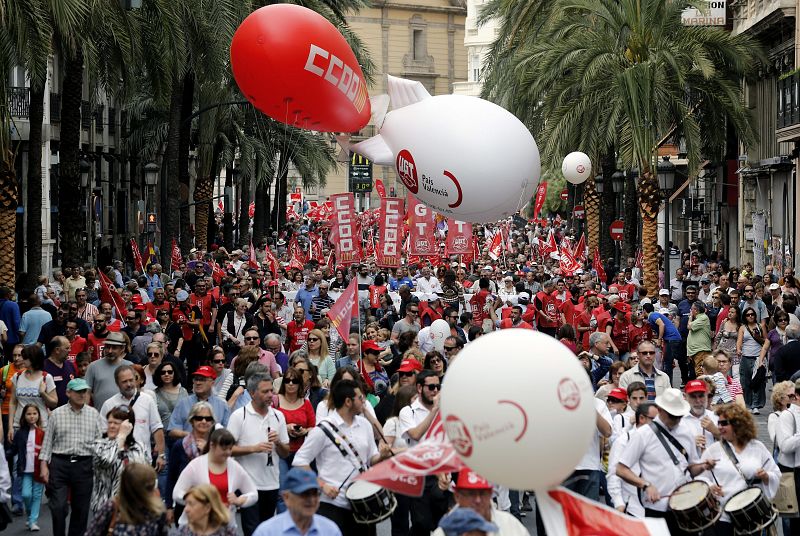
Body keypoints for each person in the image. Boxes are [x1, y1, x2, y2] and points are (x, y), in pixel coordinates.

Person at [292, 379, 392, 535]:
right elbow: (299, 462)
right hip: (332, 503)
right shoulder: (323, 429)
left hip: (362, 502)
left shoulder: (365, 425)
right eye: (360, 398)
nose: (364, 401)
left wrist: (382, 457)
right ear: (347, 402)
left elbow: (371, 458)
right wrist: (322, 485)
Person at [614, 388, 714, 534]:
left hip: (684, 505)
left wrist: (704, 466)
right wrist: (646, 485)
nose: (677, 420)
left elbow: (691, 467)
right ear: (660, 410)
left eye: (679, 416)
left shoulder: (686, 432)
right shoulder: (643, 434)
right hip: (656, 508)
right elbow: (621, 469)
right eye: (673, 416)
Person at [697, 403, 780, 534]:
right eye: (718, 423)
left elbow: (775, 473)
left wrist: (765, 476)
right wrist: (710, 486)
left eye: (724, 423)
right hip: (723, 516)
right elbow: (700, 478)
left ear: (738, 424)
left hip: (751, 515)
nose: (719, 427)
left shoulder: (757, 447)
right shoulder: (713, 450)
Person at [39, 378, 104, 536]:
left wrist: (99, 468)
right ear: (68, 393)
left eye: (85, 391)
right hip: (60, 463)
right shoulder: (56, 414)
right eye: (78, 391)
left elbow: (99, 443)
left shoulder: (94, 414)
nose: (82, 395)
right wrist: (43, 465)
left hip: (84, 465)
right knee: (58, 507)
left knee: (81, 510)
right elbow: (47, 442)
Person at [228, 373, 290, 536]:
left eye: (271, 391)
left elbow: (285, 453)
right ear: (252, 392)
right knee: (252, 530)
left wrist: (278, 443)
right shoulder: (238, 416)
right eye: (265, 391)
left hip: (271, 483)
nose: (270, 395)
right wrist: (253, 448)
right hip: (248, 485)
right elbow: (227, 449)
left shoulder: (278, 416)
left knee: (267, 530)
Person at [173, 428, 258, 526]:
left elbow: (254, 494)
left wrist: (239, 500)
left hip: (224, 526)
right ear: (212, 445)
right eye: (224, 448)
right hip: (197, 526)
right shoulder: (195, 465)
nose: (228, 452)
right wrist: (197, 501)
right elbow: (177, 493)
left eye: (230, 449)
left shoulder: (235, 467)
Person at [98, 364, 166, 466]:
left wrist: (161, 455)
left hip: (142, 460)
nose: (129, 384)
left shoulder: (147, 400)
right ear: (117, 383)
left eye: (131, 380)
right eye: (124, 381)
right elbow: (102, 433)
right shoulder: (109, 405)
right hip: (116, 462)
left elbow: (157, 428)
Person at [431, 469, 528, 536]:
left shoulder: (510, 524)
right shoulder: (443, 532)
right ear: (457, 496)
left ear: (490, 494)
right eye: (470, 494)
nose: (477, 500)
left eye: (482, 493)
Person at [89, 405, 147, 512]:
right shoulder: (99, 445)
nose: (111, 426)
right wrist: (121, 437)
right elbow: (108, 460)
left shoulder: (138, 447)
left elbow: (144, 474)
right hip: (105, 506)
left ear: (128, 426)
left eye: (116, 423)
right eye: (109, 422)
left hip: (131, 507)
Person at [252, 467, 342, 536]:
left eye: (315, 493)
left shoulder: (330, 530)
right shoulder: (267, 532)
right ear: (286, 497)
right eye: (304, 494)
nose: (311, 499)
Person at [607, 402, 659, 517]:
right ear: (641, 418)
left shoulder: (660, 440)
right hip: (633, 510)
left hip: (658, 508)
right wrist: (619, 503)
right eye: (654, 420)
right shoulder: (623, 441)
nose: (659, 425)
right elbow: (613, 474)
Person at [275, 366, 316, 511]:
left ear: (299, 384)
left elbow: (313, 427)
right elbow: (269, 424)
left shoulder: (306, 403)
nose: (291, 384)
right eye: (287, 381)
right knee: (282, 493)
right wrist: (285, 428)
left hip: (301, 453)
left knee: (300, 491)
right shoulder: (276, 401)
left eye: (294, 381)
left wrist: (304, 431)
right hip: (280, 452)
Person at [382, 384, 417, 536]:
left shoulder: (419, 420)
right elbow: (383, 451)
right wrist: (408, 451)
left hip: (417, 477)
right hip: (398, 478)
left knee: (420, 520)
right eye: (415, 399)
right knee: (400, 522)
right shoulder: (393, 423)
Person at [7, 345, 57, 441]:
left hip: (41, 427)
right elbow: (12, 402)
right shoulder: (17, 376)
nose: (22, 359)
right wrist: (10, 427)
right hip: (19, 425)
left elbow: (54, 403)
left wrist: (43, 393)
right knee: (18, 456)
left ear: (33, 359)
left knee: (39, 455)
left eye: (25, 357)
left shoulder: (46, 377)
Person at [169, 366, 231, 439]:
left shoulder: (222, 405)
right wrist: (192, 436)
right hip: (187, 447)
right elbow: (172, 431)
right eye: (196, 379)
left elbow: (227, 432)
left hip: (212, 447)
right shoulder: (183, 403)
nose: (198, 383)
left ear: (212, 383)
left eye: (202, 380)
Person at [12, 404, 45, 531]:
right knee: (26, 495)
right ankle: (30, 514)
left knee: (36, 496)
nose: (32, 416)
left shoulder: (42, 433)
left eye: (34, 413)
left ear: (38, 415)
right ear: (24, 416)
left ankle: (32, 521)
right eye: (29, 414)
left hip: (38, 470)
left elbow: (46, 451)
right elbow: (13, 449)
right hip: (25, 470)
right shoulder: (20, 433)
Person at [84, 331, 133, 410]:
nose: (110, 351)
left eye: (114, 348)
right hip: (100, 416)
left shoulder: (130, 366)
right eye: (107, 347)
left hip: (124, 417)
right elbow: (86, 392)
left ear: (122, 348)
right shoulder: (93, 366)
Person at [173, 484, 237, 536]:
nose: (186, 509)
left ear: (207, 508)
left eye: (191, 504)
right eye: (186, 504)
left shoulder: (227, 532)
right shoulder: (183, 532)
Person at [737, 306, 766, 413]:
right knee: (745, 382)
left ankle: (756, 405)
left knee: (757, 382)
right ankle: (748, 404)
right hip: (745, 357)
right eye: (748, 315)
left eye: (752, 314)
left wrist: (758, 337)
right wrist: (738, 350)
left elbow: (766, 342)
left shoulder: (760, 326)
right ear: (745, 316)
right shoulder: (742, 328)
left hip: (758, 357)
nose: (750, 316)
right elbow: (739, 342)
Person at [686, 301, 712, 379]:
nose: (690, 311)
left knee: (701, 372)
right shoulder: (699, 318)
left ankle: (704, 390)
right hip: (696, 351)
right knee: (698, 372)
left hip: (701, 350)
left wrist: (690, 317)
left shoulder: (703, 318)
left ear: (696, 310)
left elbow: (689, 326)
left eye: (691, 309)